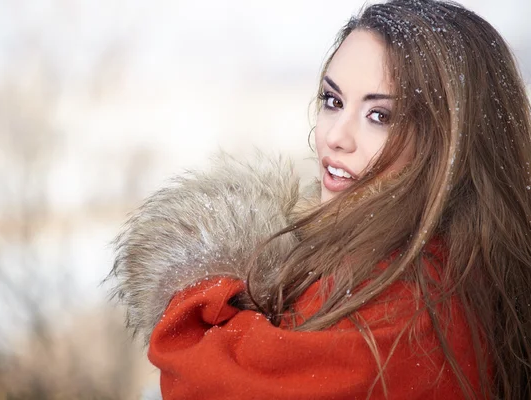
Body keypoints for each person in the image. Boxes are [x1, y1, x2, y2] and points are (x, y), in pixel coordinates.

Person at [109, 0, 531, 398]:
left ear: (451, 138)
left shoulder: (411, 302)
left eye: (379, 116)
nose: (334, 136)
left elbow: (212, 383)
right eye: (333, 101)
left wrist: (199, 269)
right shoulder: (448, 262)